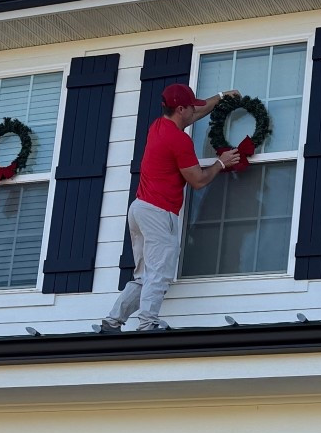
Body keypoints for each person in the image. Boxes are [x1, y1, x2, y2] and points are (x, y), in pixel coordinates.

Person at [100, 82, 240, 333]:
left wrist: (220, 97)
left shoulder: (158, 126)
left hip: (139, 209)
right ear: (180, 110)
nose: (194, 111)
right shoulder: (178, 140)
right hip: (158, 212)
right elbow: (197, 181)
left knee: (144, 275)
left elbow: (198, 110)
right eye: (190, 107)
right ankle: (147, 324)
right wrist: (221, 162)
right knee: (159, 272)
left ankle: (112, 321)